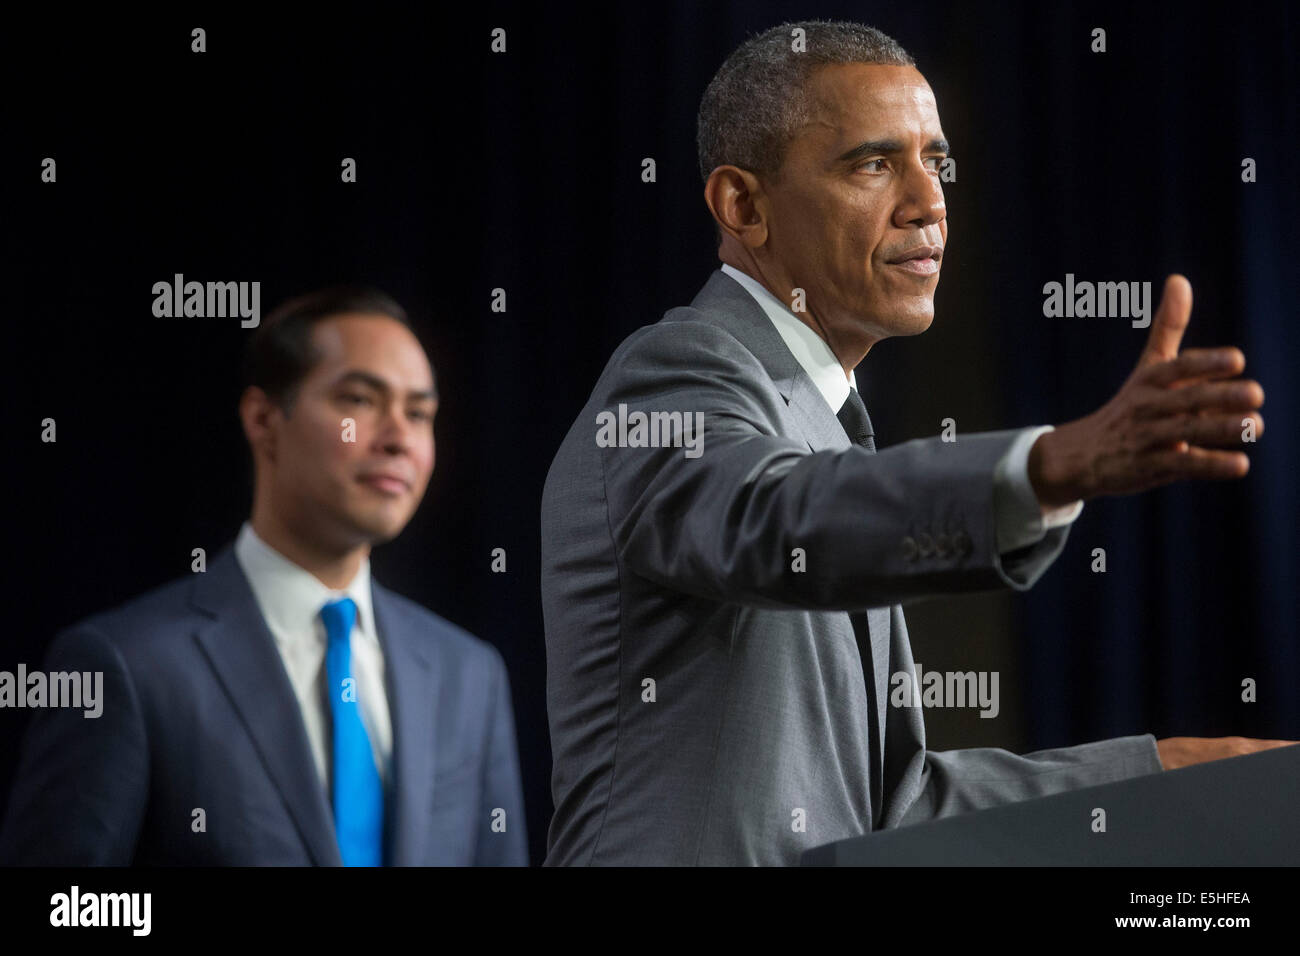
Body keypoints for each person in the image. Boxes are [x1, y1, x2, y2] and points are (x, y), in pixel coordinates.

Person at [539, 20, 1291, 866]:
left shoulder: (825, 431)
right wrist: (1045, 467)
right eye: (873, 162)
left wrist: (1175, 775)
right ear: (742, 205)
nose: (930, 202)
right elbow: (775, 517)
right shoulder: (676, 373)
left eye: (934, 161)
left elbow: (896, 810)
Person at [0, 287, 528, 865]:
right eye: (359, 399)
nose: (398, 437)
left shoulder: (470, 676)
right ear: (263, 418)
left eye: (419, 413)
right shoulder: (125, 666)